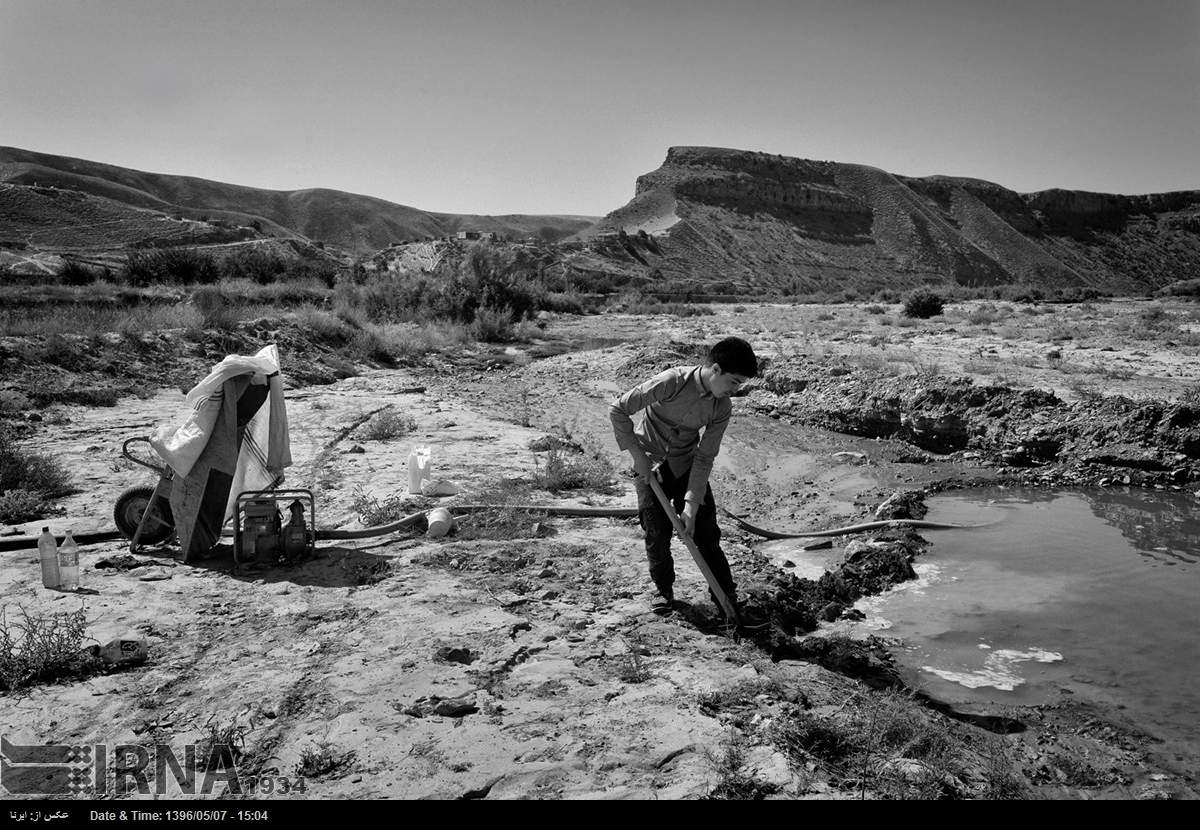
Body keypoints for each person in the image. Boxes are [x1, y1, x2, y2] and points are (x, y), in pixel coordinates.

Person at [609, 336, 765, 627]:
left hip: (687, 465)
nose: (735, 390)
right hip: (649, 464)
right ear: (715, 369)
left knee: (707, 535)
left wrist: (691, 505)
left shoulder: (722, 407)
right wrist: (638, 457)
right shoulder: (671, 381)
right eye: (733, 381)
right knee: (656, 531)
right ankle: (663, 590)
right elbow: (618, 409)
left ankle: (727, 602)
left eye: (740, 384)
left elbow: (705, 457)